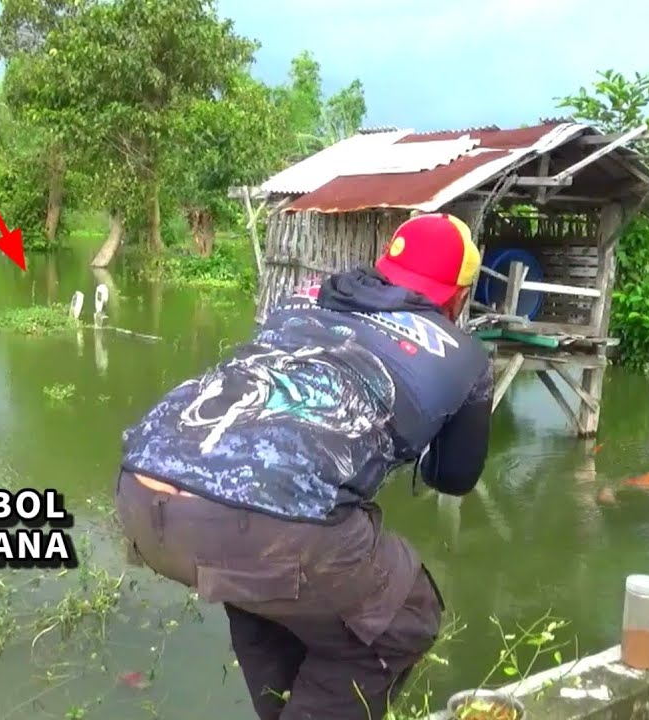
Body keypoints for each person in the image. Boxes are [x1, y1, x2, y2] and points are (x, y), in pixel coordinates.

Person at [115, 212, 494, 720]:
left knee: (267, 591)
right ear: (458, 295)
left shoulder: (301, 294)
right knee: (407, 613)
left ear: (384, 264)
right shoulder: (465, 354)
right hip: (258, 522)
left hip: (140, 484)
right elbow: (454, 477)